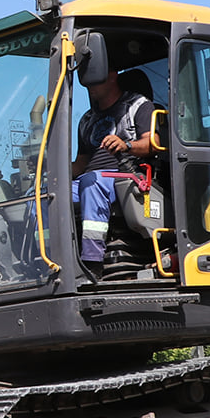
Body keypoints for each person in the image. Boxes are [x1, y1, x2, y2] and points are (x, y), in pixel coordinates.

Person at [71, 68, 157, 277]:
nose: (88, 86)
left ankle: (92, 261)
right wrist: (48, 171)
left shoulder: (138, 106)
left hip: (127, 175)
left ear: (111, 75)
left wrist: (125, 145)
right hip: (89, 178)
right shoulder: (87, 119)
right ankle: (53, 259)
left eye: (93, 80)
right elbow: (81, 164)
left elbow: (152, 144)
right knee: (44, 195)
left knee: (92, 183)